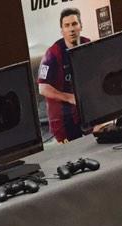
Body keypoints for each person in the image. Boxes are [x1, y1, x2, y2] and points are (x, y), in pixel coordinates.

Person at [37, 8, 91, 143]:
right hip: (63, 121)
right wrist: (70, 97)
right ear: (62, 30)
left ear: (81, 26)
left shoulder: (88, 44)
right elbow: (42, 88)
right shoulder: (52, 53)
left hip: (87, 112)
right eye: (67, 25)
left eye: (74, 24)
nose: (71, 29)